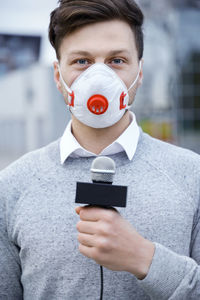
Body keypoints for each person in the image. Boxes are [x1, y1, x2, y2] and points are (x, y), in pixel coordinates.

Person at [0, 0, 200, 299]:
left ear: (139, 73)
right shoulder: (12, 186)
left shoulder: (192, 176)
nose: (98, 79)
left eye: (116, 60)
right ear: (58, 76)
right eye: (81, 61)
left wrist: (146, 259)